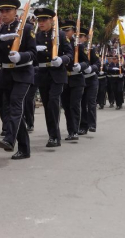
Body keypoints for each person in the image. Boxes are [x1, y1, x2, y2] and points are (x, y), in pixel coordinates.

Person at [0, 0, 36, 160]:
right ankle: (24, 148)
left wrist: (21, 56)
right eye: (1, 11)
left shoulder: (26, 28)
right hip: (5, 75)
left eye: (7, 10)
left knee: (16, 105)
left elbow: (33, 53)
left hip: (22, 73)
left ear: (16, 12)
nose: (3, 14)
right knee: (5, 110)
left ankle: (10, 139)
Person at [33, 8, 73, 147]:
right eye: (39, 20)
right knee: (47, 105)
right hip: (43, 74)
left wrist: (61, 59)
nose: (41, 22)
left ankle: (55, 136)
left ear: (51, 20)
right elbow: (33, 57)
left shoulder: (60, 35)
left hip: (57, 74)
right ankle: (52, 135)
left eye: (44, 20)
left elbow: (70, 54)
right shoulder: (36, 36)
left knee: (53, 102)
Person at [60, 20, 89, 141]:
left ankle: (74, 131)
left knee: (74, 105)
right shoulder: (59, 44)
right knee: (66, 107)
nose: (65, 33)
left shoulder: (78, 45)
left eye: (68, 30)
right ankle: (70, 130)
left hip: (77, 79)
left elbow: (86, 62)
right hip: (64, 79)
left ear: (73, 31)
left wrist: (80, 66)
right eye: (63, 30)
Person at [79, 29, 100, 134]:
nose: (79, 38)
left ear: (86, 38)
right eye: (77, 36)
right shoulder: (75, 49)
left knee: (91, 102)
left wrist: (91, 68)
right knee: (82, 103)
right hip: (80, 79)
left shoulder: (91, 49)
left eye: (81, 36)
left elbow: (98, 63)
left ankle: (92, 124)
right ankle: (83, 126)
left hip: (91, 79)